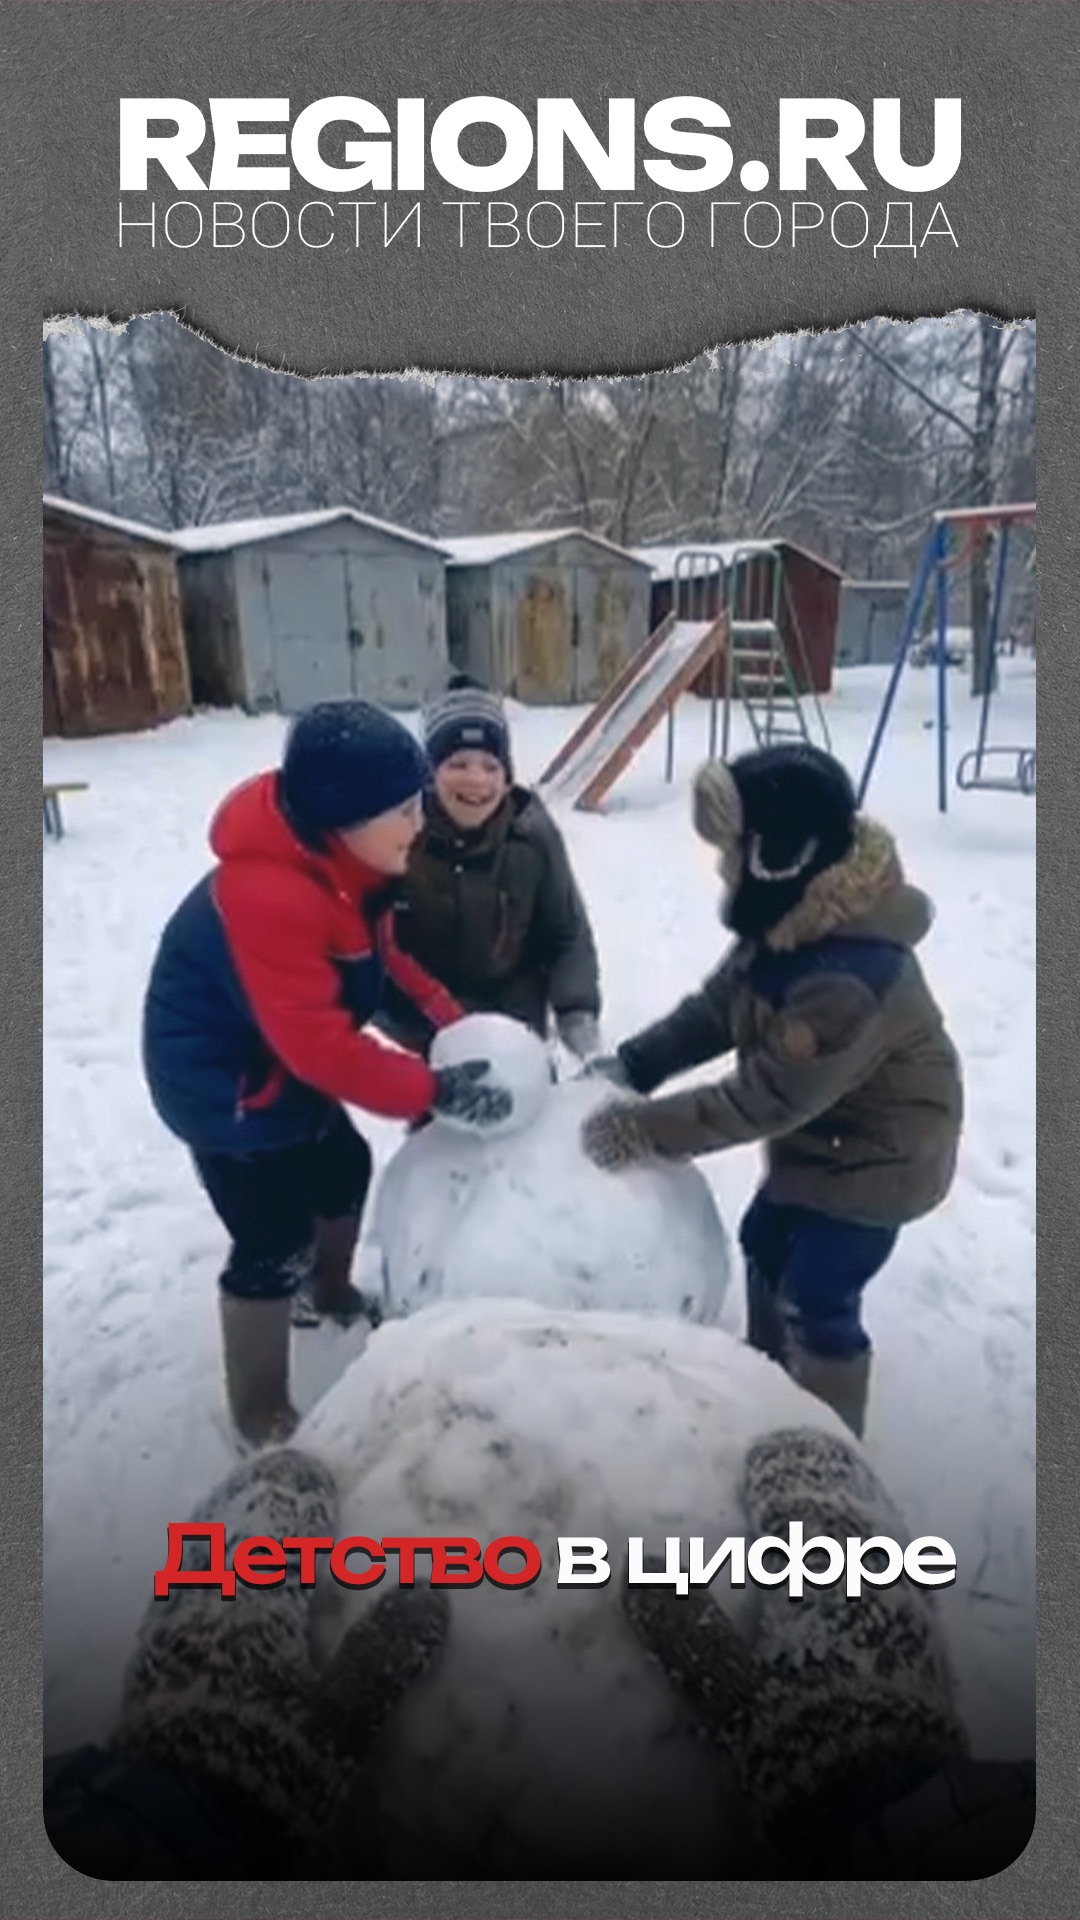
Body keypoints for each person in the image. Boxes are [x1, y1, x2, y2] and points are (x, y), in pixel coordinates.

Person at [142, 701, 515, 1446]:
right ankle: (259, 1409)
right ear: (344, 817)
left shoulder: (348, 867)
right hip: (225, 1087)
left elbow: (380, 960)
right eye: (402, 811)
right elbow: (324, 1051)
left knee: (342, 1166)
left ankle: (329, 1290)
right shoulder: (269, 897)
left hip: (279, 1057)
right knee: (273, 1235)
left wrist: (449, 1023)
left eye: (417, 803)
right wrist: (435, 1090)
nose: (419, 824)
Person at [581, 743, 964, 1437]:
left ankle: (824, 1445)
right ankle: (765, 1377)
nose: (722, 867)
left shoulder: (848, 981)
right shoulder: (790, 917)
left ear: (779, 854)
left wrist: (642, 1129)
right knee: (763, 1238)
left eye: (733, 851)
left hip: (882, 1158)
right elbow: (716, 1010)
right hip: (822, 1131)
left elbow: (759, 1101)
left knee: (817, 1292)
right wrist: (636, 1065)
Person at [381, 677, 603, 1064]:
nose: (476, 779)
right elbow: (363, 943)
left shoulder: (531, 836)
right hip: (422, 1026)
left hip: (514, 1024)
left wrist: (577, 1015)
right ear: (429, 773)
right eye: (457, 764)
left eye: (490, 765)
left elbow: (566, 933)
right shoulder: (395, 835)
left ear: (507, 775)